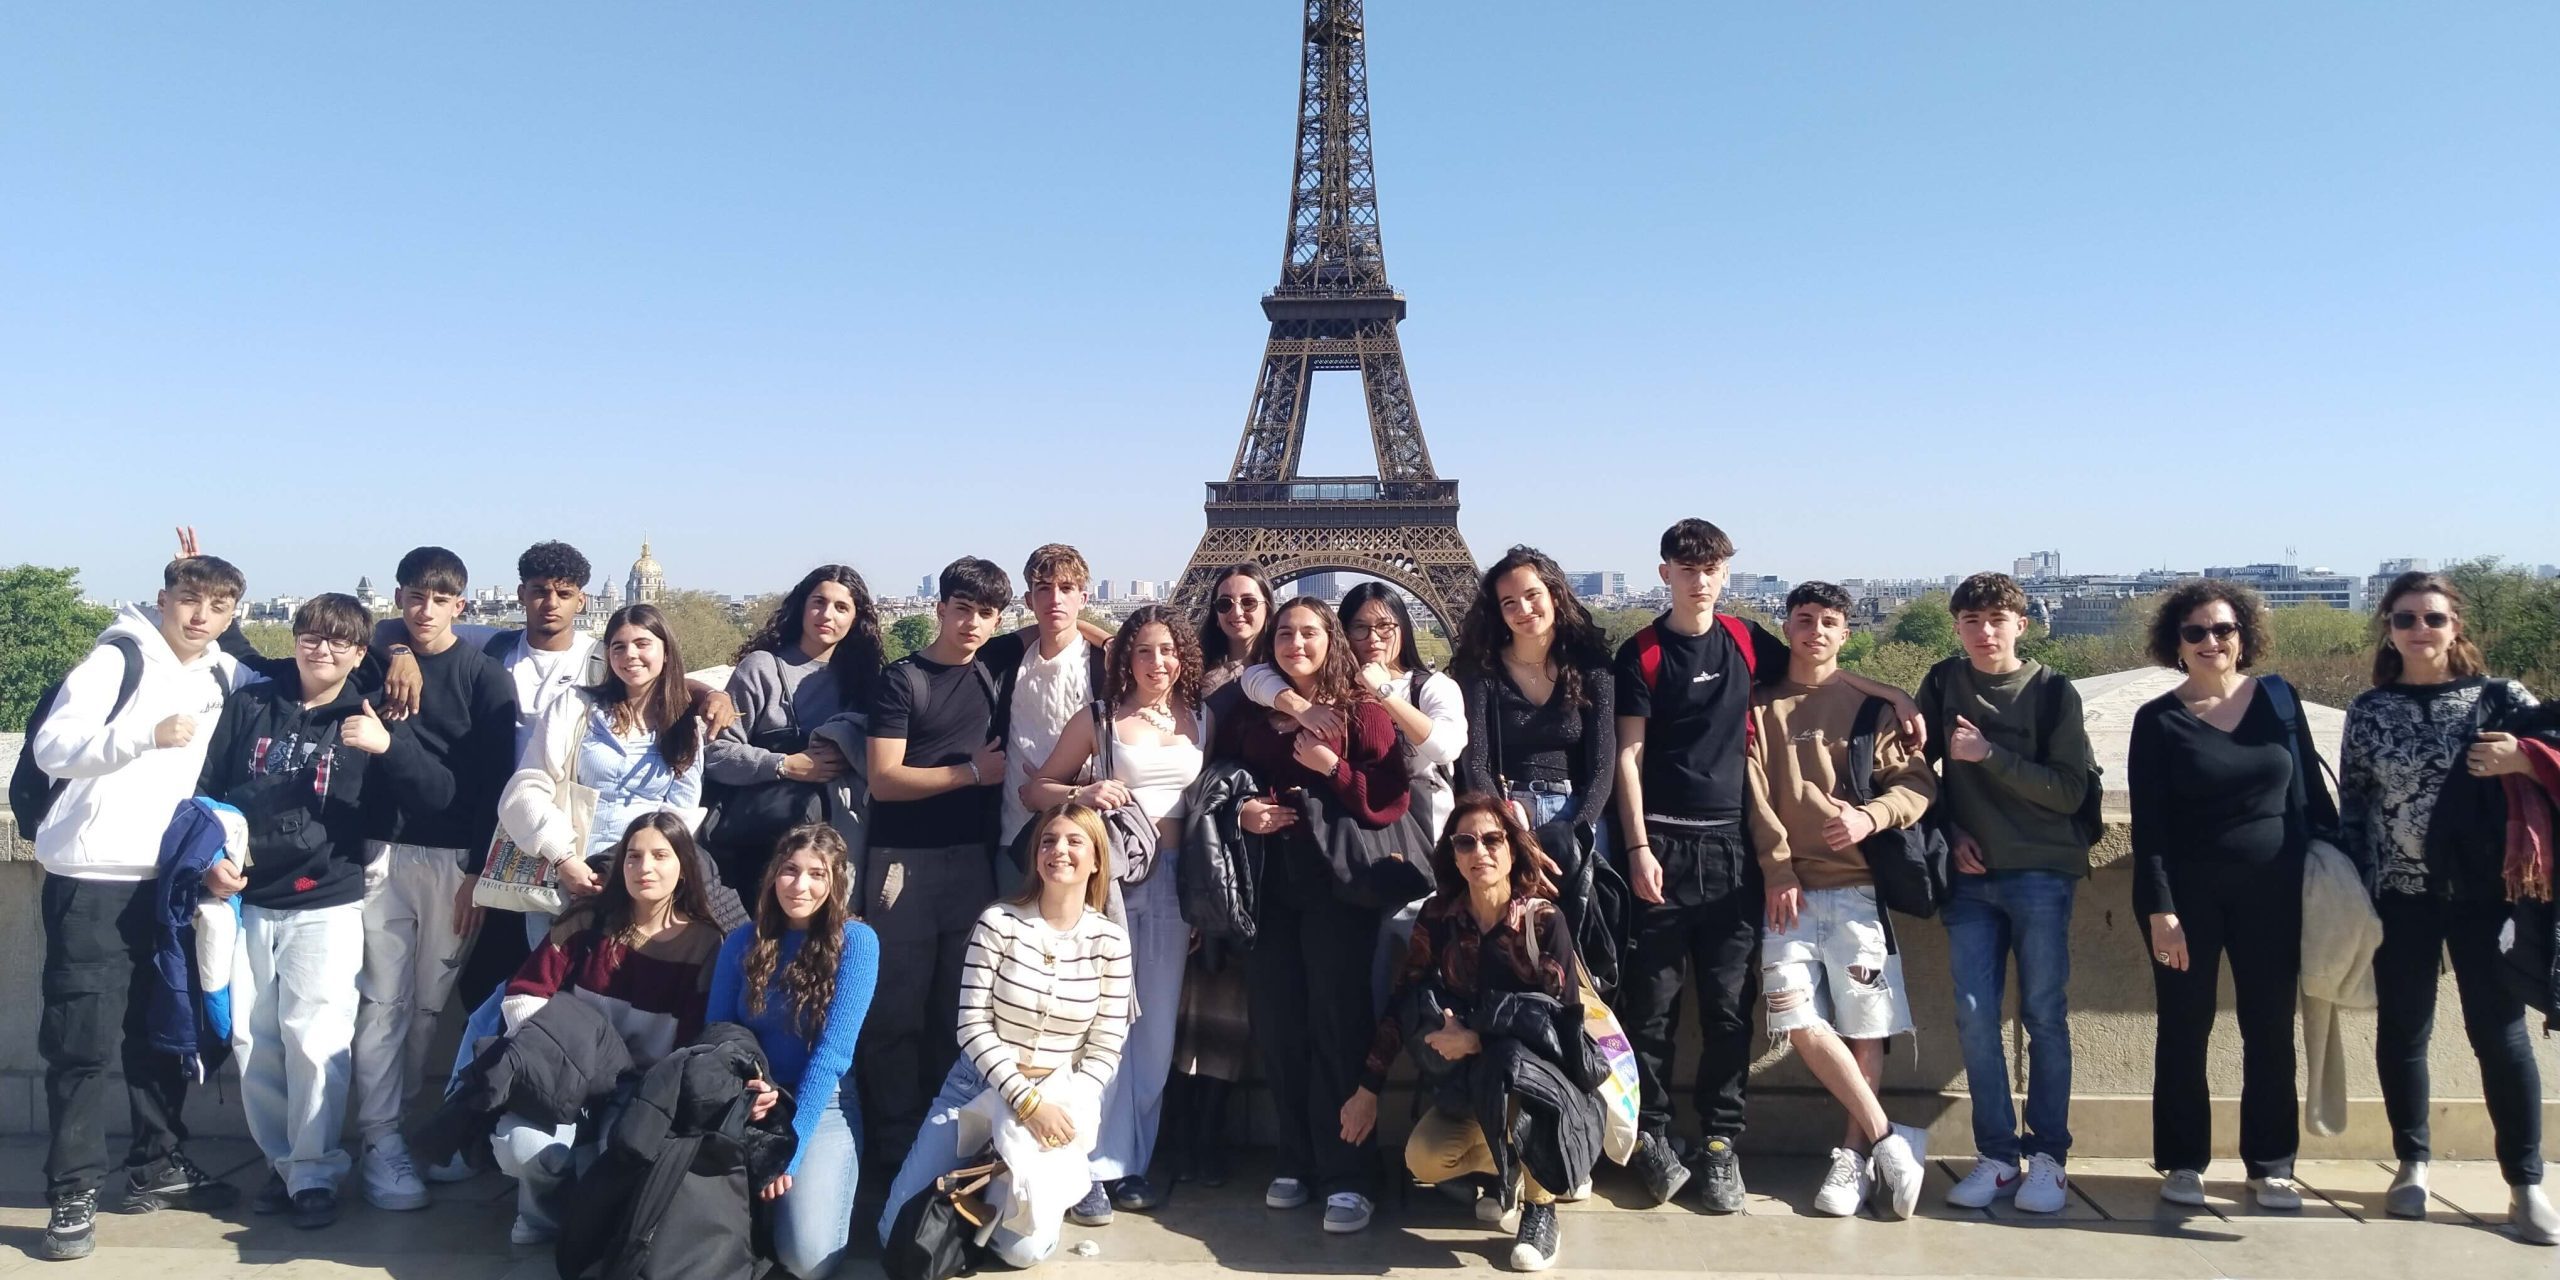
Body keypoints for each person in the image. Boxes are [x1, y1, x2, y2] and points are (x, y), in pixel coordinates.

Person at [1611, 519, 1919, 1211]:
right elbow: (1628, 757)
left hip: (1731, 850)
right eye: (1687, 567)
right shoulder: (1641, 653)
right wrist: (1635, 848)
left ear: (1725, 573)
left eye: (1711, 567)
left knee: (1727, 1012)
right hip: (1662, 844)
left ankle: (1720, 1142)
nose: (1699, 578)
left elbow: (1820, 669)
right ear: (1666, 573)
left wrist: (1891, 696)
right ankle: (1655, 1134)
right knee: (1653, 1009)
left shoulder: (1748, 641)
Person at [30, 555, 252, 1260]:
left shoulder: (220, 671)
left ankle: (156, 1163)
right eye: (189, 600)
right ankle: (73, 1191)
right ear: (163, 600)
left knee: (162, 1032)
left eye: (217, 606)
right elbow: (53, 748)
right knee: (82, 1042)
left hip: (167, 881)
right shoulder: (115, 659)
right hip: (91, 876)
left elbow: (302, 681)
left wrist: (398, 653)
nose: (200, 617)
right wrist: (143, 737)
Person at [196, 594, 437, 1229]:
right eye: (311, 637)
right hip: (247, 897)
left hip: (326, 898)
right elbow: (207, 793)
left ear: (361, 653)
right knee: (255, 1039)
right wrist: (207, 864)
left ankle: (316, 1171)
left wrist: (390, 746)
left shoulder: (369, 713)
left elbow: (436, 794)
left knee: (317, 1037)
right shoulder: (250, 704)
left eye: (338, 642)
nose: (321, 650)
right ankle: (284, 1166)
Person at [2339, 570, 2556, 1244]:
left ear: (2455, 626)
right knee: (2404, 1032)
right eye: (2405, 619)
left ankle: (2525, 1184)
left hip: (2487, 895)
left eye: (2432, 618)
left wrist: (2521, 759)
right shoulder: (2370, 710)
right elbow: (2355, 808)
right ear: (2389, 629)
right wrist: (2356, 893)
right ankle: (2412, 1163)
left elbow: (2548, 757)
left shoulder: (2501, 700)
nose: (2419, 631)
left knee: (2500, 1035)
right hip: (2401, 896)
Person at [2128, 582, 2335, 1212]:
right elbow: (2150, 827)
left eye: (2223, 630)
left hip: (2275, 893)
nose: (2211, 642)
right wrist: (2161, 910)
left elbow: (2313, 803)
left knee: (2269, 1029)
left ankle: (2271, 1163)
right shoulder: (2157, 720)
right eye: (2195, 632)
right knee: (2184, 1029)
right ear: (2176, 644)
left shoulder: (2279, 701)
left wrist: (2337, 871)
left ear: (2244, 636)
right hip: (2187, 899)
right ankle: (2184, 1163)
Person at [1339, 796, 1599, 1272]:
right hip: (1471, 1089)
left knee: (1515, 1066)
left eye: (1492, 839)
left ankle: (1541, 1210)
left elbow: (1559, 1024)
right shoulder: (1439, 919)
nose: (1480, 851)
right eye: (1466, 842)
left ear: (1514, 851)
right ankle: (1511, 1171)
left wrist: (1476, 1035)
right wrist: (1367, 1089)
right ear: (1454, 856)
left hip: (1544, 1091)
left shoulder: (1543, 921)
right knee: (1423, 1158)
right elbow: (1403, 1000)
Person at [1742, 583, 1933, 1221]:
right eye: (1804, 620)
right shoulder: (1758, 706)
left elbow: (1916, 785)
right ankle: (1885, 1136)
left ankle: (1851, 1156)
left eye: (1829, 622)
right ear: (1787, 626)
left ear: (1845, 633)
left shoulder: (1870, 707)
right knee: (1796, 1019)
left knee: (1864, 1029)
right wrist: (1777, 869)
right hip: (1788, 891)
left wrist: (1870, 819)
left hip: (1858, 890)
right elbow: (1755, 796)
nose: (1815, 631)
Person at [877, 804, 1134, 1268]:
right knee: (894, 1231)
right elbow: (972, 1026)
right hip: (976, 1088)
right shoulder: (999, 922)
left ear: (1097, 859)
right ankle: (976, 1185)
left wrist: (1065, 1106)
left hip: (1057, 1097)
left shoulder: (1110, 942)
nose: (1059, 851)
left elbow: (1106, 1042)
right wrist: (1025, 1103)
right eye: (1049, 841)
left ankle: (1008, 1191)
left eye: (1075, 842)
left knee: (1020, 1251)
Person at [1227, 595, 1413, 1234]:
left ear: (1332, 639)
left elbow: (1390, 800)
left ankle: (1347, 1172)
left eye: (1310, 632)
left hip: (1337, 887)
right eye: (1285, 633)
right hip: (1271, 883)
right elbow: (1221, 782)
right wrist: (1244, 812)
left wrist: (1332, 767)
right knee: (1279, 1026)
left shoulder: (1364, 712)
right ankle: (1296, 1158)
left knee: (1337, 1025)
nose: (1296, 643)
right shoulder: (1255, 714)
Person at [1023, 604, 1209, 1219]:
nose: (1158, 662)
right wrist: (1084, 790)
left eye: (1167, 650)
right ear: (1124, 660)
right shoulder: (1100, 720)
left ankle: (1132, 1161)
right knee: (1097, 1026)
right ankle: (1089, 1166)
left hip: (1175, 883)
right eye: (1144, 650)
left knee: (1153, 1034)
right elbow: (1034, 789)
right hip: (1109, 883)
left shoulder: (1200, 718)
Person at [1919, 571, 2095, 1215]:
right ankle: (1997, 1155)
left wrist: (1988, 753)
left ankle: (2048, 1156)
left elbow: (2069, 790)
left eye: (1996, 619)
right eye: (1971, 621)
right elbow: (1916, 772)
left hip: (2041, 872)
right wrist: (1948, 830)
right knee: (1973, 1015)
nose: (1984, 632)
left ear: (2022, 624)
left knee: (2045, 1015)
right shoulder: (1943, 682)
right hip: (1970, 876)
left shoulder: (2051, 691)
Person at [492, 811, 722, 1244]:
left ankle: (593, 1214)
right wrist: (565, 1055)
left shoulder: (705, 944)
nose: (644, 868)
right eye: (633, 857)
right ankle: (544, 1215)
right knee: (524, 1148)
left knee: (619, 1156)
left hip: (641, 1086)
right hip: (567, 1076)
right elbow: (523, 993)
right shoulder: (588, 921)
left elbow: (694, 1041)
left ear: (683, 867)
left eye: (660, 855)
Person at [860, 556, 1012, 1170]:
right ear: (940, 608)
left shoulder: (994, 669)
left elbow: (1067, 628)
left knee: (958, 1007)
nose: (973, 622)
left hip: (970, 861)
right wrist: (972, 773)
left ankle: (937, 1136)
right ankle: (896, 1140)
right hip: (905, 865)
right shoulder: (902, 680)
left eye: (986, 613)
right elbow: (884, 780)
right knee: (897, 1008)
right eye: (963, 609)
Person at [711, 824, 881, 1280]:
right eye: (789, 871)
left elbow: (833, 1055)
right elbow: (718, 1034)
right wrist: (750, 1093)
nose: (800, 886)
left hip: (820, 1104)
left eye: (816, 874)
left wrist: (791, 1146)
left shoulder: (858, 943)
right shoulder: (741, 941)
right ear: (772, 876)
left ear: (835, 884)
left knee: (807, 1259)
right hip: (752, 1097)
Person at [1162, 563, 1276, 1187]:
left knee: (1237, 996)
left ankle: (1205, 1132)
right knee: (1205, 992)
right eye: (1226, 601)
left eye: (1250, 601)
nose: (1237, 612)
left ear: (1269, 605)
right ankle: (1195, 1134)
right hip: (1213, 849)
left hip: (1269, 851)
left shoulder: (1294, 672)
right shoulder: (1193, 677)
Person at [497, 603, 705, 941]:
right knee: (548, 984)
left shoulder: (684, 724)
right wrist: (564, 859)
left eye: (642, 644)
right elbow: (528, 787)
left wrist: (638, 872)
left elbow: (681, 811)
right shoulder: (576, 707)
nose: (630, 655)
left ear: (666, 652)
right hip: (570, 873)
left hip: (642, 882)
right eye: (618, 646)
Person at [708, 565, 887, 891]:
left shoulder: (865, 683)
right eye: (819, 602)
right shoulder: (762, 669)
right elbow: (717, 753)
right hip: (762, 846)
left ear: (855, 618)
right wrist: (785, 765)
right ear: (801, 606)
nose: (827, 614)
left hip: (836, 849)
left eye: (841, 607)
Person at [1241, 583, 1467, 837]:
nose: (1373, 638)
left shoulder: (1427, 688)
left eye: (1385, 626)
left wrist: (1382, 691)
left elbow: (1446, 749)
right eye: (1360, 627)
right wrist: (1302, 709)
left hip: (1424, 828)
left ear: (1403, 626)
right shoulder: (1324, 694)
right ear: (1343, 634)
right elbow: (1252, 677)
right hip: (1335, 841)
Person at [1453, 546, 1615, 851]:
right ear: (1499, 613)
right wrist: (1511, 831)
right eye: (1509, 603)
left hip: (1579, 812)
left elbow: (1604, 766)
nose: (1524, 609)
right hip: (1507, 815)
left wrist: (1574, 833)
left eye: (1532, 595)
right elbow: (1476, 763)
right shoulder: (1482, 672)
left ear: (1554, 595)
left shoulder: (1592, 668)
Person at [979, 544, 1113, 849]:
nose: (1055, 599)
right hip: (1014, 834)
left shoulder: (1103, 666)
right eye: (1044, 588)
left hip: (1081, 832)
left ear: (1083, 599)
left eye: (1066, 588)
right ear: (1029, 600)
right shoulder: (1008, 665)